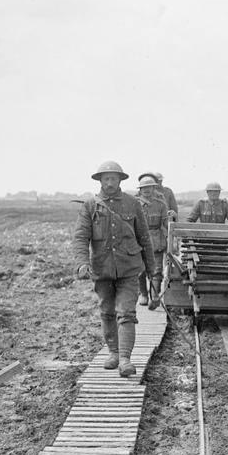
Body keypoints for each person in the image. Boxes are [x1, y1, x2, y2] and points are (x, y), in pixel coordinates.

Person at [73, 161, 156, 377]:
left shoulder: (132, 204)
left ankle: (126, 359)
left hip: (129, 269)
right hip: (102, 270)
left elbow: (144, 237)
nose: (110, 183)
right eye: (106, 179)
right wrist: (83, 262)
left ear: (120, 180)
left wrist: (151, 267)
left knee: (126, 312)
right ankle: (114, 353)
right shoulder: (90, 206)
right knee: (107, 312)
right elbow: (81, 237)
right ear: (100, 180)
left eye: (114, 178)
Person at [136, 175, 169, 306]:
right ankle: (143, 294)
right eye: (143, 188)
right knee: (140, 269)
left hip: (156, 239)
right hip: (138, 240)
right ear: (140, 190)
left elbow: (166, 223)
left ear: (154, 188)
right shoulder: (135, 204)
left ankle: (154, 295)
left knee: (157, 269)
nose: (146, 190)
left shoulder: (160, 204)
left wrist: (172, 221)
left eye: (149, 187)